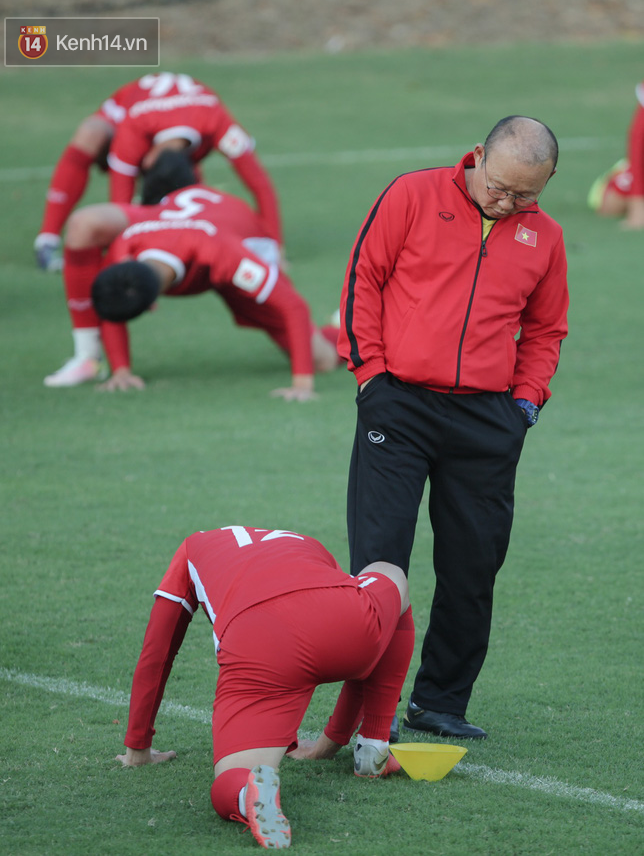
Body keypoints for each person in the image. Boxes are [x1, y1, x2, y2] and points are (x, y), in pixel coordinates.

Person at [337, 116, 569, 740]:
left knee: (472, 569)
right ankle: (360, 711)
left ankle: (439, 702)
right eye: (499, 187)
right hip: (399, 405)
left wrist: (524, 405)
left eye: (525, 194)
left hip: (488, 420)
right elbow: (363, 279)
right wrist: (371, 378)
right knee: (379, 565)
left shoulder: (545, 237)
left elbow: (546, 331)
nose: (508, 202)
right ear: (477, 159)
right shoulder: (411, 195)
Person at [115, 525, 415, 850]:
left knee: (237, 777)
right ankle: (372, 745)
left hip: (258, 641)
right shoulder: (305, 543)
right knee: (389, 572)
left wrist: (138, 747)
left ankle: (245, 795)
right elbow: (335, 639)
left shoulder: (192, 547)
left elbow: (157, 654)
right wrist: (331, 741)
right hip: (347, 620)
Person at [42, 154, 284, 389]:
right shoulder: (134, 125)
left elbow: (256, 178)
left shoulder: (208, 117)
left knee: (316, 353)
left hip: (203, 225)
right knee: (83, 224)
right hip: (165, 215)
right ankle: (88, 356)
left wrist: (276, 242)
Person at [34, 72, 282, 270]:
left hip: (181, 114)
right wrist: (124, 253)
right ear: (146, 158)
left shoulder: (218, 122)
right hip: (126, 106)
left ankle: (183, 232)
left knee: (183, 200)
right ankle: (47, 239)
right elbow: (120, 203)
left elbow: (259, 184)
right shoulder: (132, 133)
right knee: (90, 133)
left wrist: (275, 246)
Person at [88, 211, 340, 400]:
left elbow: (294, 306)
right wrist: (121, 370)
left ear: (153, 304)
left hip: (243, 238)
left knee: (322, 360)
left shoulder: (222, 255)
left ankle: (353, 327)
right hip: (198, 225)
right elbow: (113, 305)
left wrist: (302, 384)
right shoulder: (122, 252)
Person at [588, 80, 644, 229]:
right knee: (611, 206)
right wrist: (637, 211)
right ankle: (618, 175)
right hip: (637, 168)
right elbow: (638, 141)